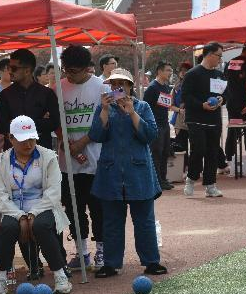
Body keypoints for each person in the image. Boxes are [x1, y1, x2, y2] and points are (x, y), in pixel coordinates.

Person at [89, 68, 166, 279]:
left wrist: (132, 113)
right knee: (111, 221)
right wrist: (104, 111)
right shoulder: (103, 107)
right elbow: (95, 135)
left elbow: (150, 135)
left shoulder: (143, 106)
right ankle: (111, 263)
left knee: (144, 220)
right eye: (113, 84)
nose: (116, 88)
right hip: (111, 172)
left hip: (139, 173)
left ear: (130, 86)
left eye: (121, 84)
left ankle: (151, 261)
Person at [0, 116, 71, 294]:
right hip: (13, 209)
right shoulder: (2, 160)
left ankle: (60, 275)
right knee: (7, 228)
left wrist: (33, 213)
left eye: (32, 139)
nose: (28, 144)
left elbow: (54, 192)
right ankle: (0, 278)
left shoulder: (48, 156)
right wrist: (19, 216)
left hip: (43, 207)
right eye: (23, 140)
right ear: (11, 138)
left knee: (41, 226)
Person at [56, 45, 105, 270]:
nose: (69, 75)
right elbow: (54, 120)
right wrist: (65, 142)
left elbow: (107, 120)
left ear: (87, 68)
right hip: (68, 162)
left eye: (73, 71)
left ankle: (102, 251)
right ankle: (81, 251)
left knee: (98, 208)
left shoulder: (103, 87)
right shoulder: (58, 88)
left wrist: (82, 143)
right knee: (73, 209)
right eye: (65, 70)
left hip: (96, 160)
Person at [182, 42, 227, 198]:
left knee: (212, 152)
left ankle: (210, 185)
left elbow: (226, 94)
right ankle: (191, 179)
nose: (220, 59)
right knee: (198, 149)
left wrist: (222, 99)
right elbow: (186, 96)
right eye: (219, 56)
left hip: (214, 120)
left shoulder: (219, 75)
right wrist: (201, 105)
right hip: (196, 119)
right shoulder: (192, 74)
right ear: (209, 54)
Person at [0, 48, 61, 151]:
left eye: (13, 68)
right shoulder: (4, 95)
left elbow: (55, 122)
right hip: (14, 152)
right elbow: (1, 126)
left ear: (27, 71)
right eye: (8, 67)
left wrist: (19, 123)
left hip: (41, 151)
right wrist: (38, 122)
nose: (10, 71)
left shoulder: (47, 94)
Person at [223, 41, 246, 173]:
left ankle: (229, 161)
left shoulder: (230, 62)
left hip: (232, 103)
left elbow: (227, 81)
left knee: (233, 131)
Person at [143, 61, 176, 191]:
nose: (170, 73)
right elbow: (145, 107)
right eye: (167, 70)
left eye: (170, 71)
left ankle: (163, 179)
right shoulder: (152, 88)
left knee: (165, 152)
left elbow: (166, 106)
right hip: (155, 126)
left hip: (165, 124)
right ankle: (157, 181)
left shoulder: (166, 87)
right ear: (159, 71)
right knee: (156, 153)